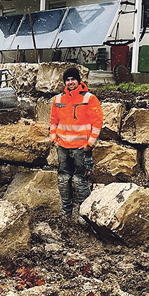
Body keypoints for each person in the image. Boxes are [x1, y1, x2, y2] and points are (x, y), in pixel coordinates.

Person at [49, 67, 103, 218]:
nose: (70, 82)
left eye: (73, 79)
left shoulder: (89, 98)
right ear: (64, 82)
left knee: (80, 180)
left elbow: (97, 124)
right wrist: (54, 139)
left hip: (81, 148)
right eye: (67, 80)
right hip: (63, 147)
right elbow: (53, 121)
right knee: (63, 179)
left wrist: (89, 144)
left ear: (79, 80)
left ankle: (84, 214)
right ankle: (65, 213)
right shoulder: (58, 99)